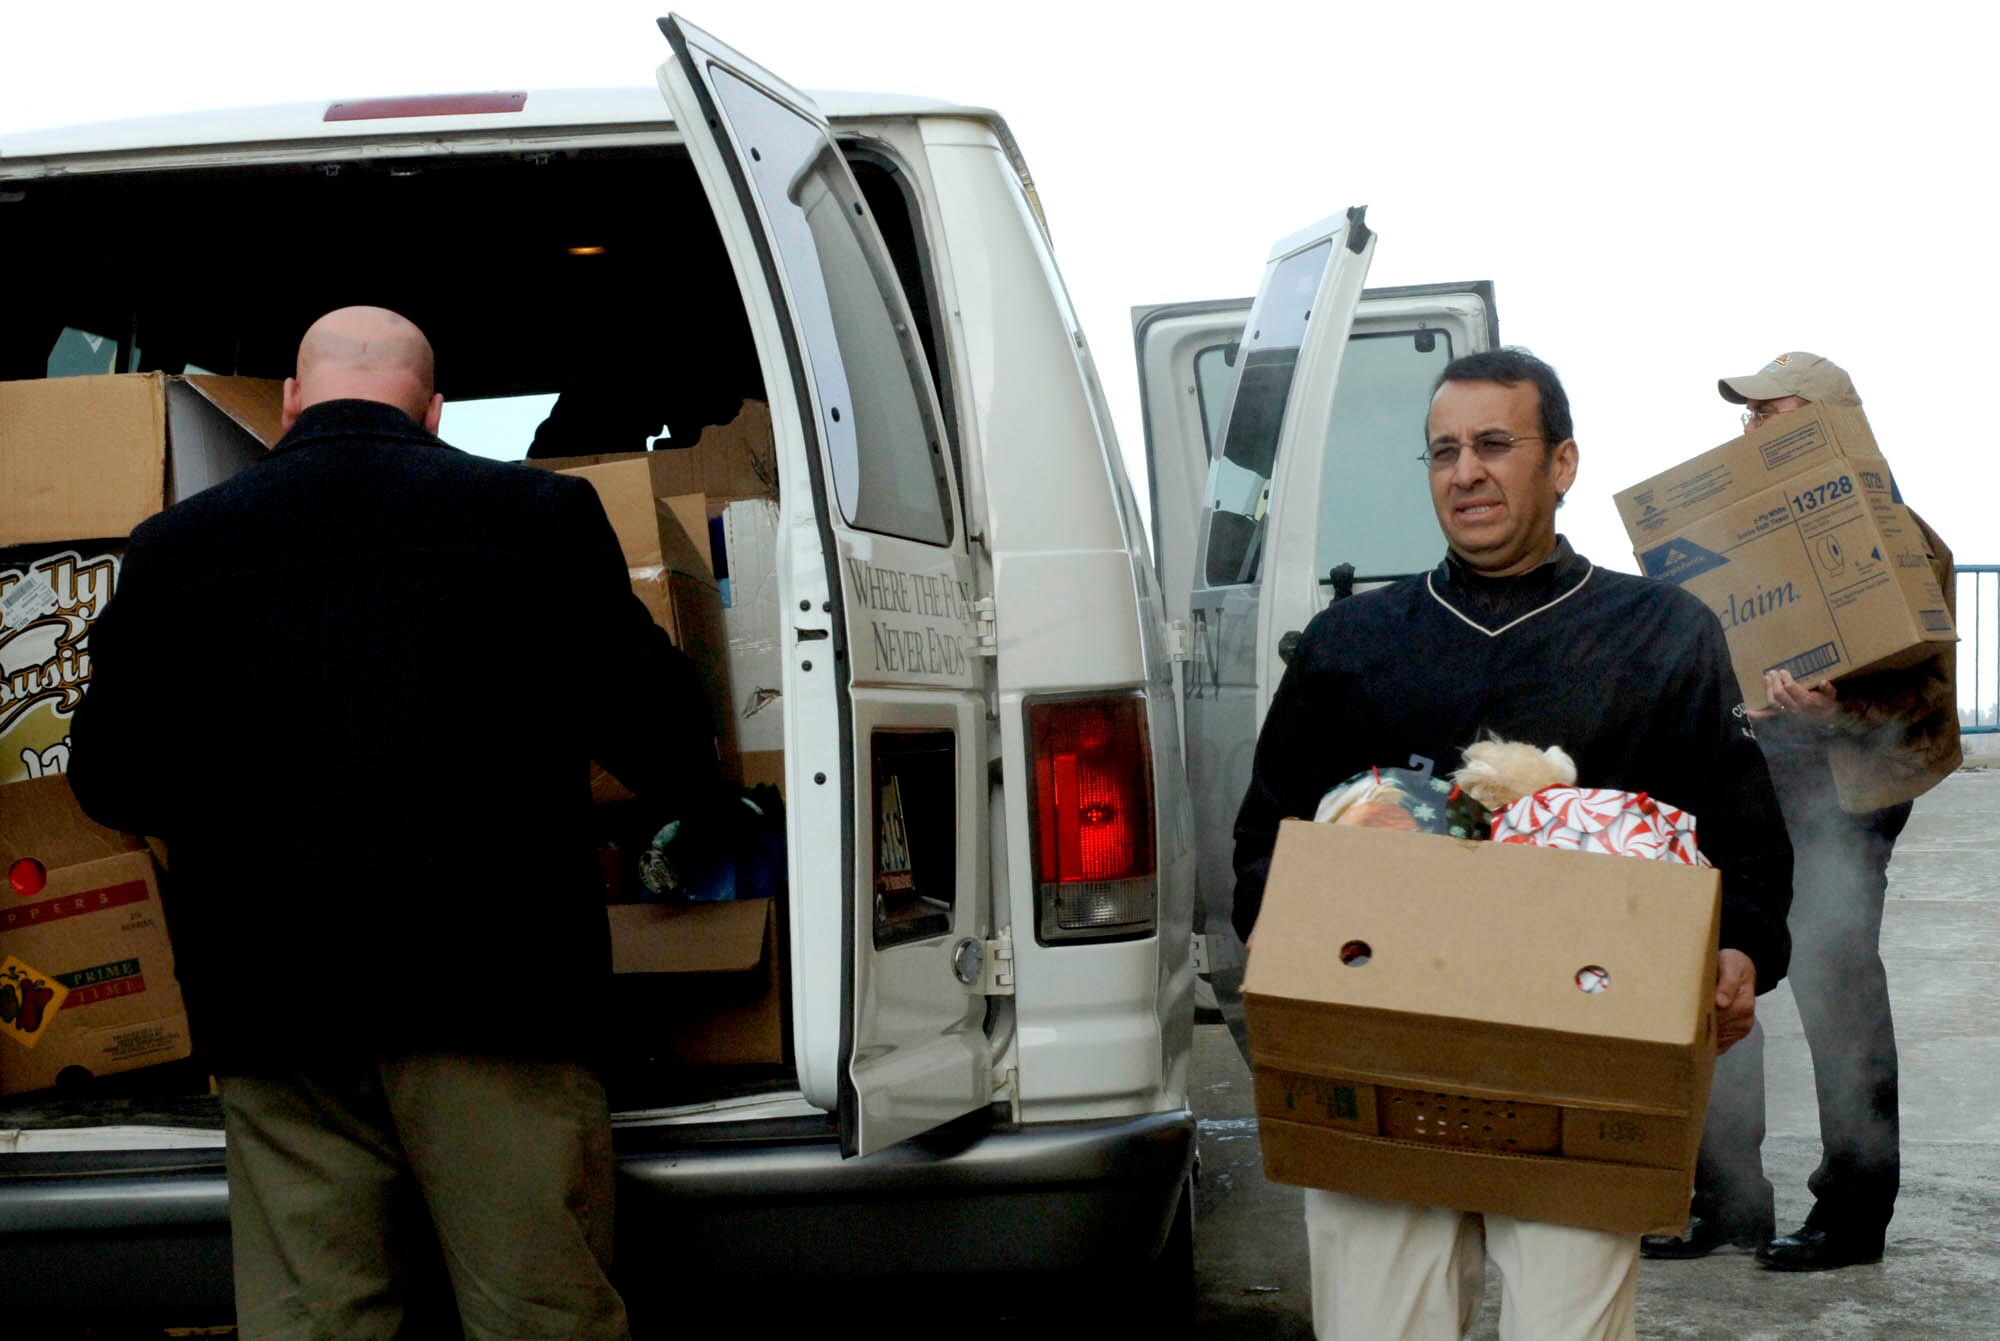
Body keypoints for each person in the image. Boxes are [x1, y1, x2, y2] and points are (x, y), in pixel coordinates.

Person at [67, 306, 720, 1339]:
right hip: (499, 1005)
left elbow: (110, 780)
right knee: (539, 1317)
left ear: (291, 399)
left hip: (275, 1011)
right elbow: (671, 747)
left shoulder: (177, 548)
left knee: (314, 1324)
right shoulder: (537, 517)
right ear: (434, 408)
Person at [1231, 347, 1794, 1340]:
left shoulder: (1661, 633)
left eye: (1494, 444)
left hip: (1583, 1051)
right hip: (1382, 1054)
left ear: (1561, 462)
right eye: (1443, 451)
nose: (1465, 472)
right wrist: (1298, 965)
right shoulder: (1350, 641)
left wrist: (1740, 943)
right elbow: (1266, 841)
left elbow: (1738, 827)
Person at [1641, 352, 1960, 1272]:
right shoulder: (1735, 534)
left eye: (1768, 414)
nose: (1749, 432)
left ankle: (1853, 1214)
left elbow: (1931, 698)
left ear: (1825, 420)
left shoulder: (1902, 537)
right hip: (1753, 778)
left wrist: (1837, 707)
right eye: (1746, 417)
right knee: (1720, 965)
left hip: (1846, 791)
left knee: (1834, 982)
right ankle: (1727, 1198)